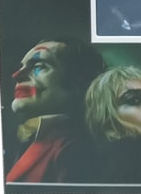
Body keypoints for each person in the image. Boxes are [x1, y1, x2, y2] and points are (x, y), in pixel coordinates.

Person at [6, 39, 105, 184]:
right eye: (21, 67)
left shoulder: (75, 148)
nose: (17, 75)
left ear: (78, 80)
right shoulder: (31, 139)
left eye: (38, 66)